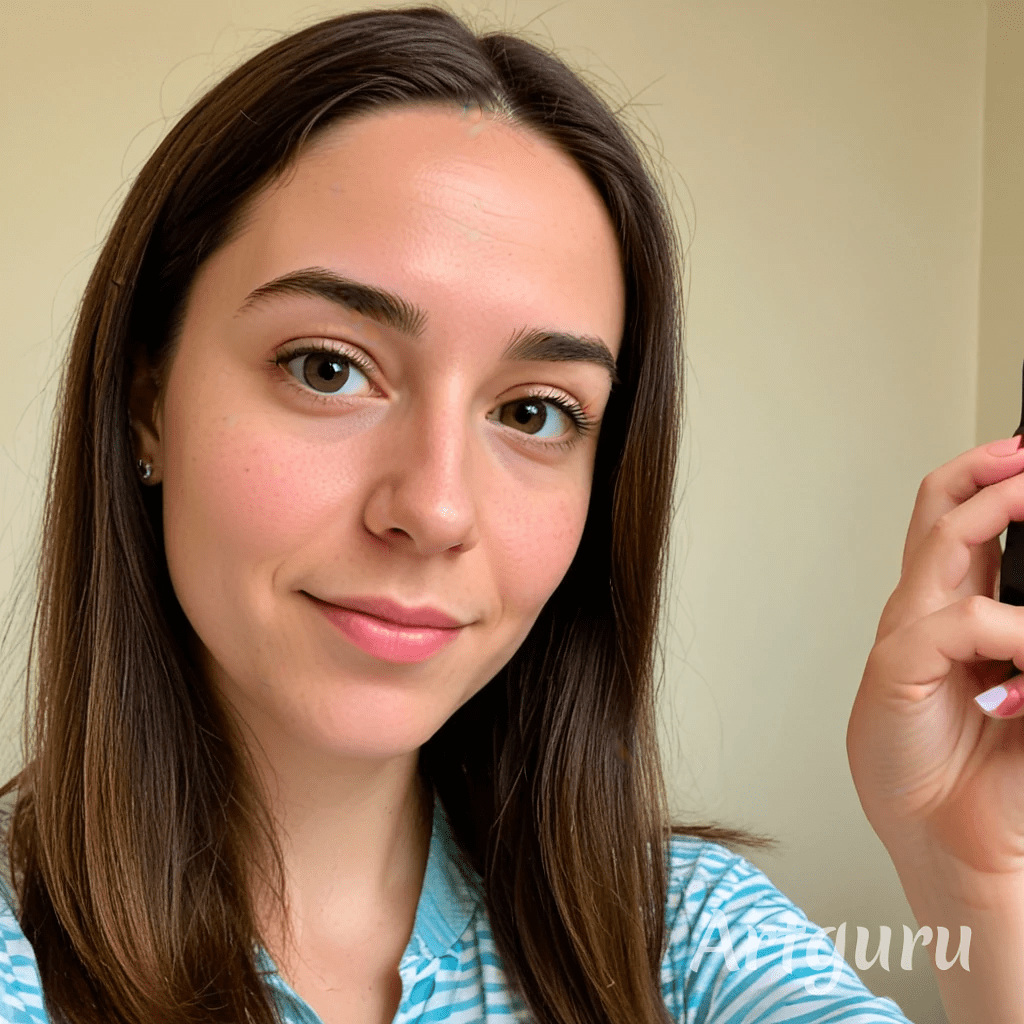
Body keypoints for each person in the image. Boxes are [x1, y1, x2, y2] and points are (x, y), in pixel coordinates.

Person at [0, 6, 1018, 1023]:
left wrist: (971, 877)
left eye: (533, 412)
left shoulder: (689, 938)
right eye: (328, 368)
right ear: (147, 402)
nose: (436, 507)